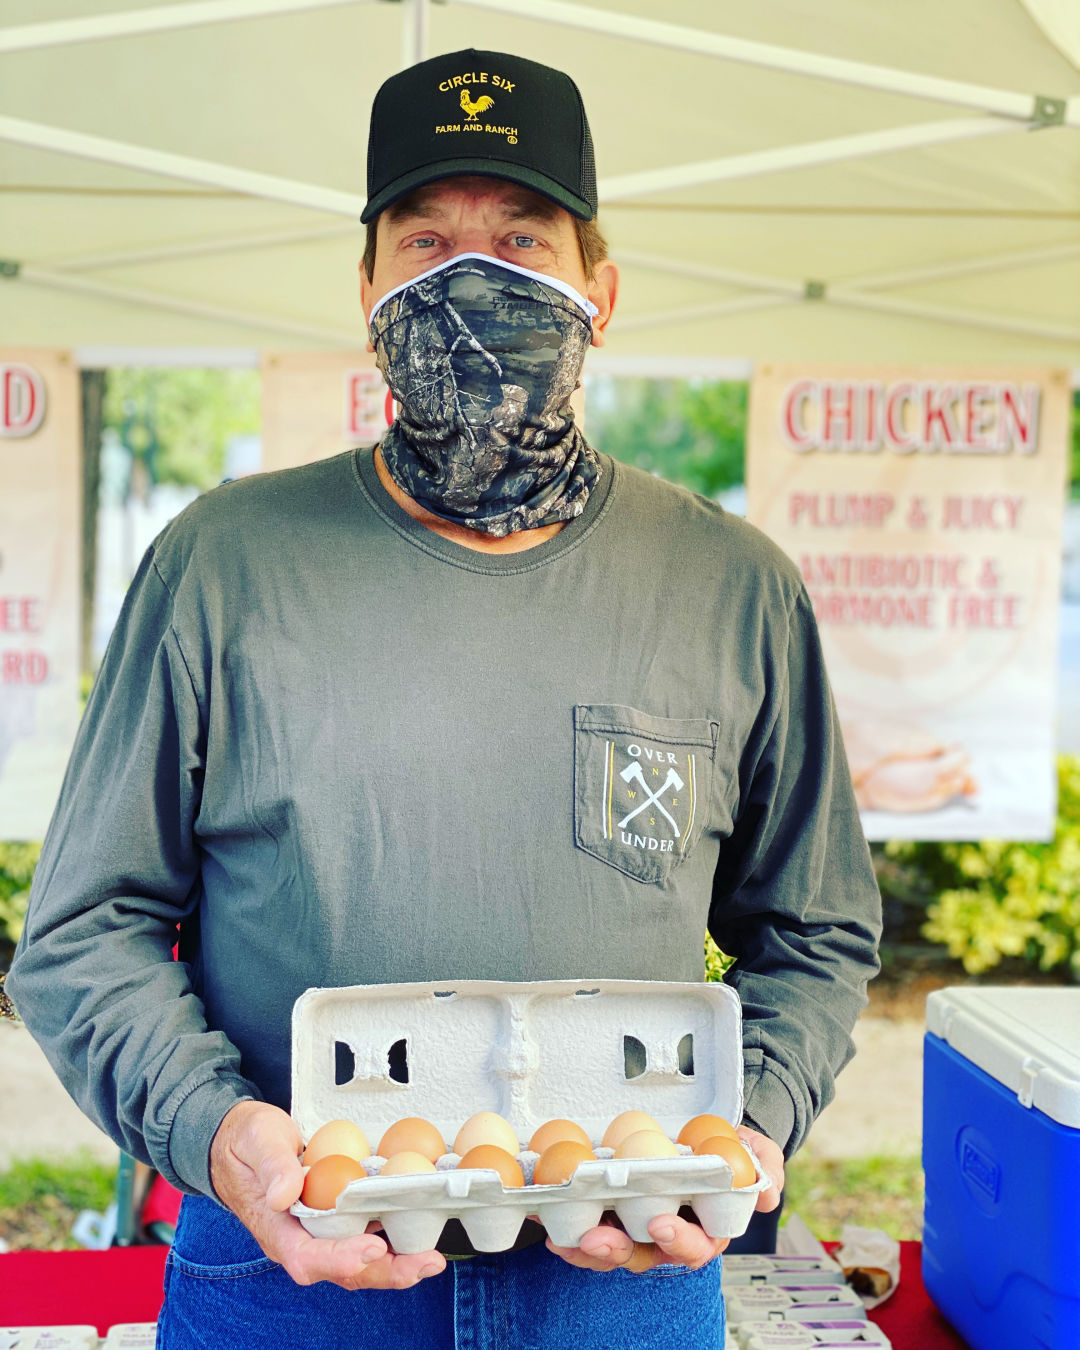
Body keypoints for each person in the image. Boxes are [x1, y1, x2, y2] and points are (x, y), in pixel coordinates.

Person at [7, 47, 881, 1350]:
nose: (470, 278)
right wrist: (219, 1132)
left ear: (603, 288)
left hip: (625, 1285)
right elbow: (82, 927)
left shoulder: (727, 584)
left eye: (522, 239)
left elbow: (815, 926)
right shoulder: (223, 565)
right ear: (365, 288)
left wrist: (736, 1129)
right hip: (285, 1269)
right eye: (426, 242)